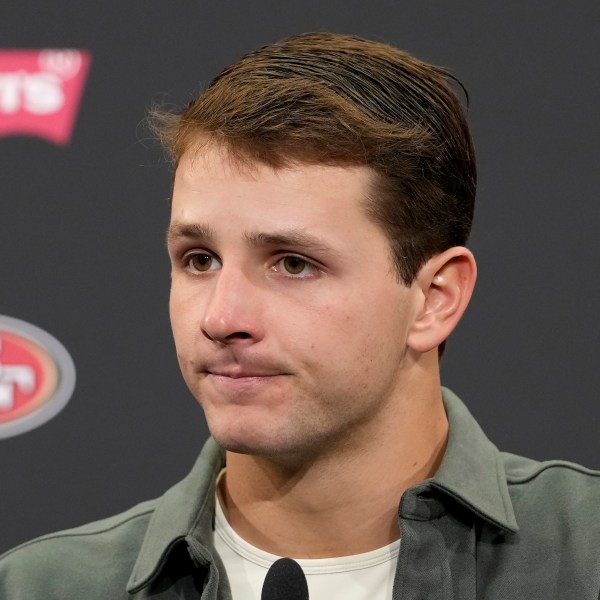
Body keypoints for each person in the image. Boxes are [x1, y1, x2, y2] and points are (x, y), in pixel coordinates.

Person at [1, 31, 599, 600]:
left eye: (292, 264)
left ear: (434, 298)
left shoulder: (585, 556)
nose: (221, 317)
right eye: (200, 259)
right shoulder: (39, 586)